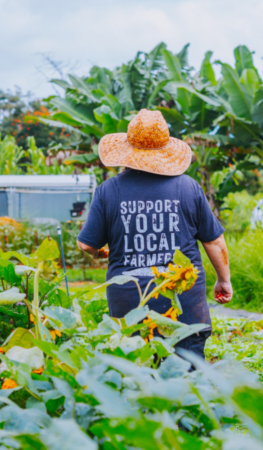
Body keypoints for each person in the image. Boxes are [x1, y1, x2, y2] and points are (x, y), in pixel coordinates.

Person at [76, 109, 233, 359]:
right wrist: (224, 280)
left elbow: (86, 245)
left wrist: (100, 252)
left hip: (130, 308)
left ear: (127, 150)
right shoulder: (189, 188)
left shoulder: (108, 191)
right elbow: (214, 240)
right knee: (187, 380)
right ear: (165, 151)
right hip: (185, 307)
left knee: (138, 381)